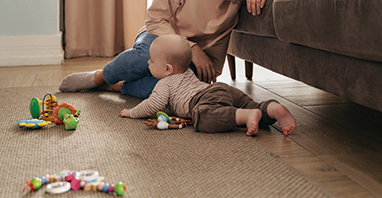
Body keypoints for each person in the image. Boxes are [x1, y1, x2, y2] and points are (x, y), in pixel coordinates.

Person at [59, 0, 321, 99]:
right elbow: (155, 19)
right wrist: (190, 46)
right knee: (144, 58)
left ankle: (116, 87)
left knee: (170, 90)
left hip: (202, 61)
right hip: (160, 37)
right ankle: (99, 78)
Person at [119, 34, 296, 136]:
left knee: (202, 117)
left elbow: (153, 104)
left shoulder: (164, 83)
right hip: (220, 89)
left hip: (203, 99)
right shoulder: (187, 71)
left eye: (151, 60)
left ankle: (244, 116)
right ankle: (272, 109)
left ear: (167, 69)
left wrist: (132, 112)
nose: (148, 63)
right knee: (249, 103)